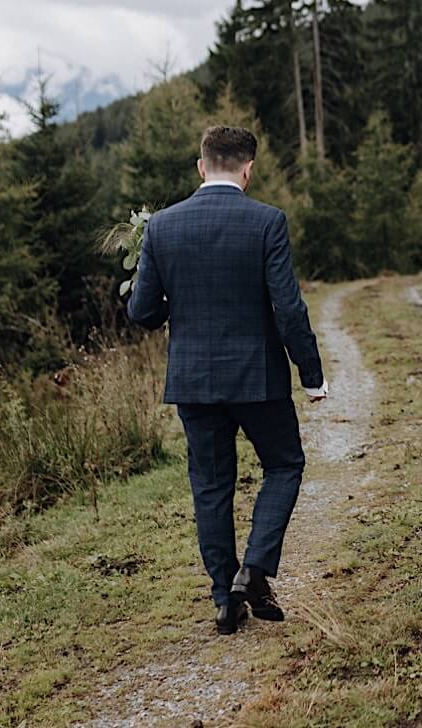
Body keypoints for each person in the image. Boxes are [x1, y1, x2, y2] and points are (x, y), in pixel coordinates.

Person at [128, 125, 327, 635]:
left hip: (194, 382)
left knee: (210, 486)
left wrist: (183, 305)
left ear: (201, 167)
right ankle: (254, 571)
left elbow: (143, 312)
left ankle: (225, 598)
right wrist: (310, 374)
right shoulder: (266, 222)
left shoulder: (163, 227)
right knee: (285, 464)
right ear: (247, 169)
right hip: (258, 378)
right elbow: (288, 306)